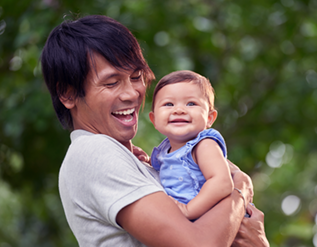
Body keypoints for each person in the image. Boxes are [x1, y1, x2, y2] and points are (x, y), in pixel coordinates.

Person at [41, 14, 269, 246]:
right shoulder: (93, 151)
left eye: (136, 76)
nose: (131, 93)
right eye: (111, 83)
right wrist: (241, 189)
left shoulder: (146, 159)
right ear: (68, 94)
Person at [149, 70, 237, 220]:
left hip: (207, 219)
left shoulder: (203, 145)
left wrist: (189, 210)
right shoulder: (163, 150)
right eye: (169, 104)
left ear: (209, 118)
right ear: (154, 119)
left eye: (191, 103)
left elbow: (222, 182)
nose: (179, 110)